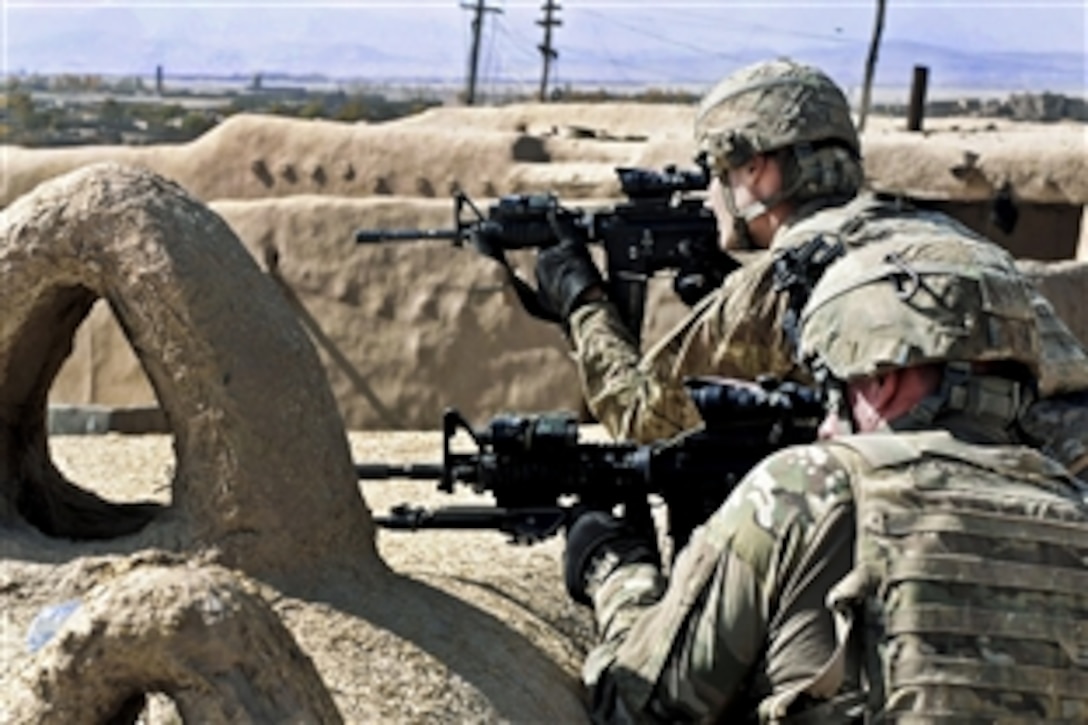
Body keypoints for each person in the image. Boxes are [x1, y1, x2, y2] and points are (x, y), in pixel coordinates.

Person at [560, 232, 1088, 722]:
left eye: (833, 388)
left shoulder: (809, 487)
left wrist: (615, 569)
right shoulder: (1076, 506)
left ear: (881, 379)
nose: (828, 422)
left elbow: (639, 707)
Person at [533, 57, 1088, 477]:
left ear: (756, 167)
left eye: (715, 168)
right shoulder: (957, 242)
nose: (710, 193)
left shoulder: (784, 277)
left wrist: (582, 301)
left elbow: (639, 417)